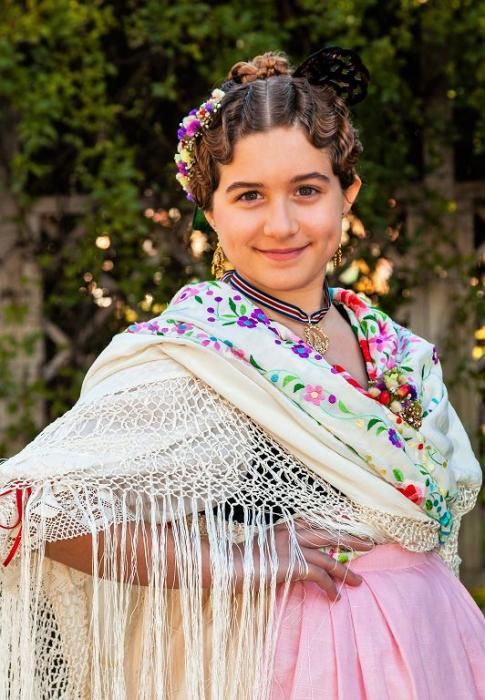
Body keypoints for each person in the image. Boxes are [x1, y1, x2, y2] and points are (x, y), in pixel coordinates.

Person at [0, 46, 483, 700]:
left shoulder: (399, 350)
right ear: (210, 209)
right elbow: (25, 506)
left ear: (349, 195)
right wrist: (231, 558)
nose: (280, 224)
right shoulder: (193, 355)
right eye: (248, 195)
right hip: (291, 664)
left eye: (306, 190)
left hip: (434, 644)